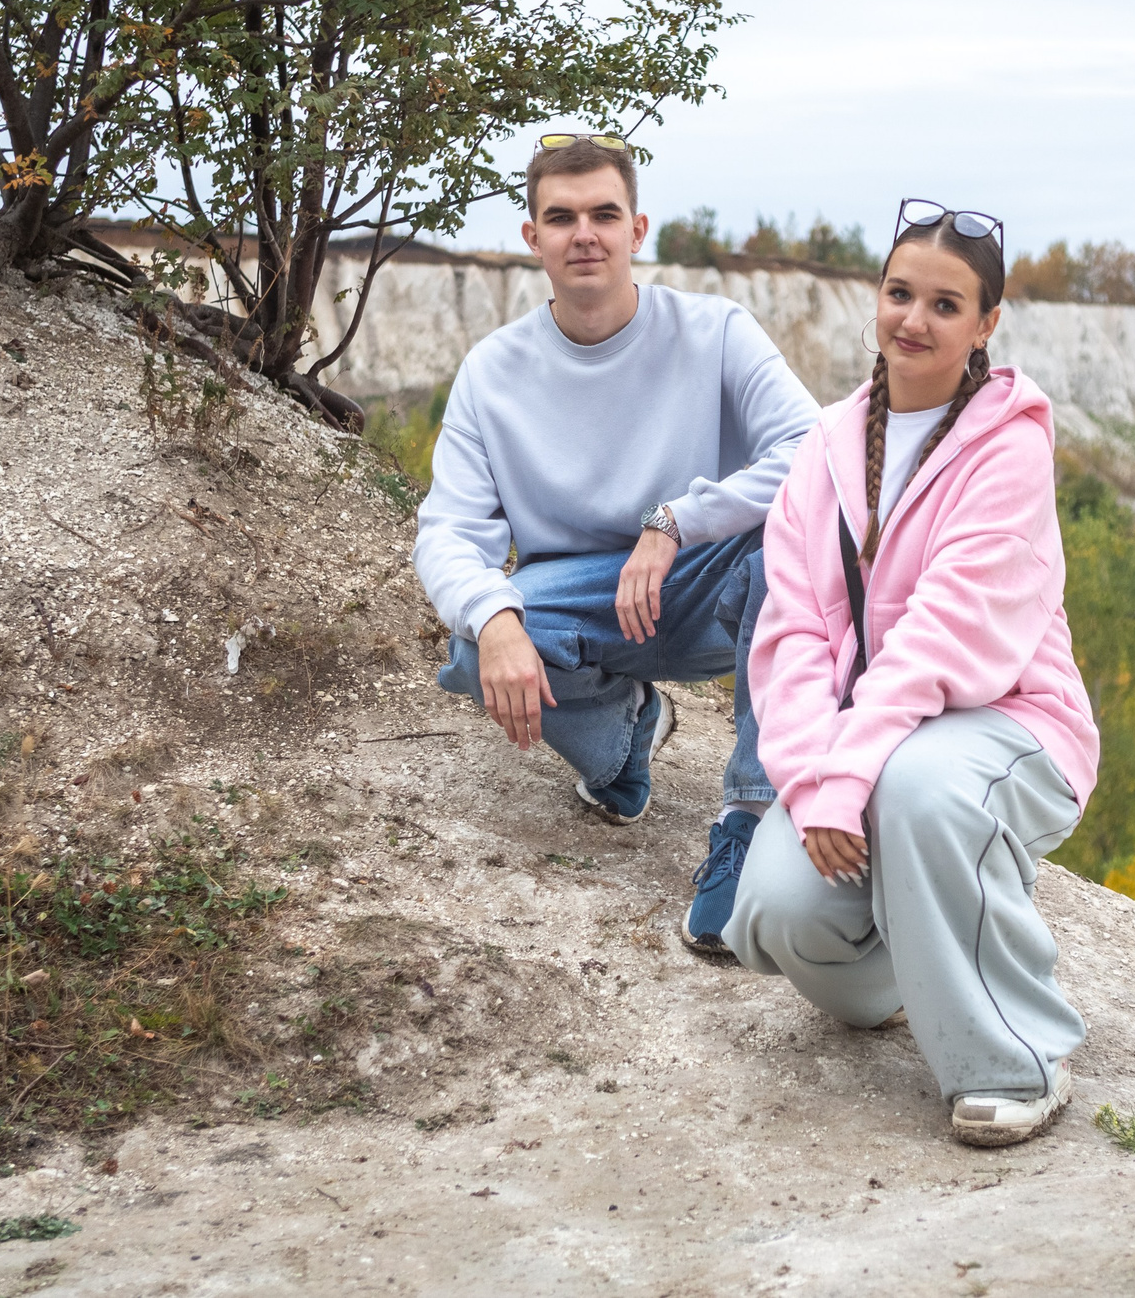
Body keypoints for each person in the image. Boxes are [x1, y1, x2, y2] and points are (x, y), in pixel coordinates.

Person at [725, 200, 1100, 1147]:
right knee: (777, 905)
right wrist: (814, 784)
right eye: (900, 293)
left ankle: (1018, 1059)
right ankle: (918, 960)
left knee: (920, 789)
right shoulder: (828, 445)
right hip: (875, 739)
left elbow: (941, 640)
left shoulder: (1008, 448)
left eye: (945, 303)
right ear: (876, 298)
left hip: (1010, 725)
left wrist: (852, 776)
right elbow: (794, 633)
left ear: (985, 324)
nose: (914, 321)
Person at [412, 133, 821, 951]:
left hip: (714, 593)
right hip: (590, 602)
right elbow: (448, 532)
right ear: (533, 239)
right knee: (470, 646)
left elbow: (816, 454)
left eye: (604, 213)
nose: (584, 234)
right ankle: (620, 740)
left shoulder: (714, 332)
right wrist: (496, 621)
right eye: (561, 217)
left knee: (794, 538)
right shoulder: (493, 372)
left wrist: (675, 520)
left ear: (638, 229)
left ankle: (748, 814)